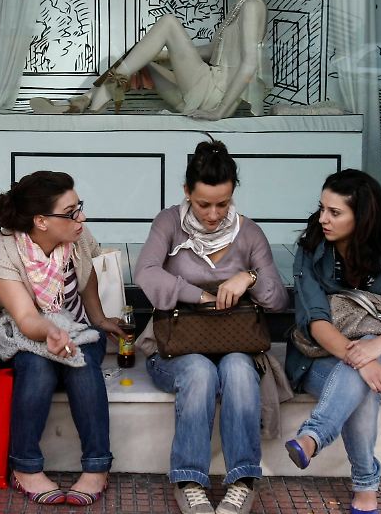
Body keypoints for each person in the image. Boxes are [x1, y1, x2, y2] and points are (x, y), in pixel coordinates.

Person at [132, 139, 289, 514]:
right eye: (204, 204)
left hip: (234, 344)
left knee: (239, 369)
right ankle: (189, 480)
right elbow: (146, 272)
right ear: (186, 191)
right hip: (176, 347)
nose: (214, 214)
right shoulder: (169, 223)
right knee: (200, 372)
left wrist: (249, 277)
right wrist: (199, 295)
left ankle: (243, 480)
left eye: (223, 203)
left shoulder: (249, 233)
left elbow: (278, 299)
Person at [284, 169, 381, 514]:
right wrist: (362, 360)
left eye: (335, 212)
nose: (323, 219)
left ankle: (312, 438)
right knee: (362, 385)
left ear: (362, 216)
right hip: (320, 355)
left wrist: (377, 345)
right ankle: (365, 487)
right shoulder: (312, 248)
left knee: (360, 377)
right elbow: (315, 321)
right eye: (322, 208)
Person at [0, 171, 124, 506]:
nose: (81, 218)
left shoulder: (78, 237)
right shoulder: (2, 250)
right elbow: (26, 317)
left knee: (81, 364)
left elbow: (87, 278)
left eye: (80, 207)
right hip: (26, 335)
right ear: (41, 221)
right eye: (71, 212)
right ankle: (25, 466)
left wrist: (99, 319)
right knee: (37, 367)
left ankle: (97, 466)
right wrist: (52, 333)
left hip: (78, 329)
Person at [33, 0, 281, 119]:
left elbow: (250, 64)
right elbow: (211, 52)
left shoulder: (252, 6)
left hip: (214, 94)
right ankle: (89, 101)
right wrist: (162, 52)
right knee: (140, 59)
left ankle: (89, 101)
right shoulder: (240, 4)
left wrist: (220, 112)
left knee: (168, 23)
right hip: (202, 91)